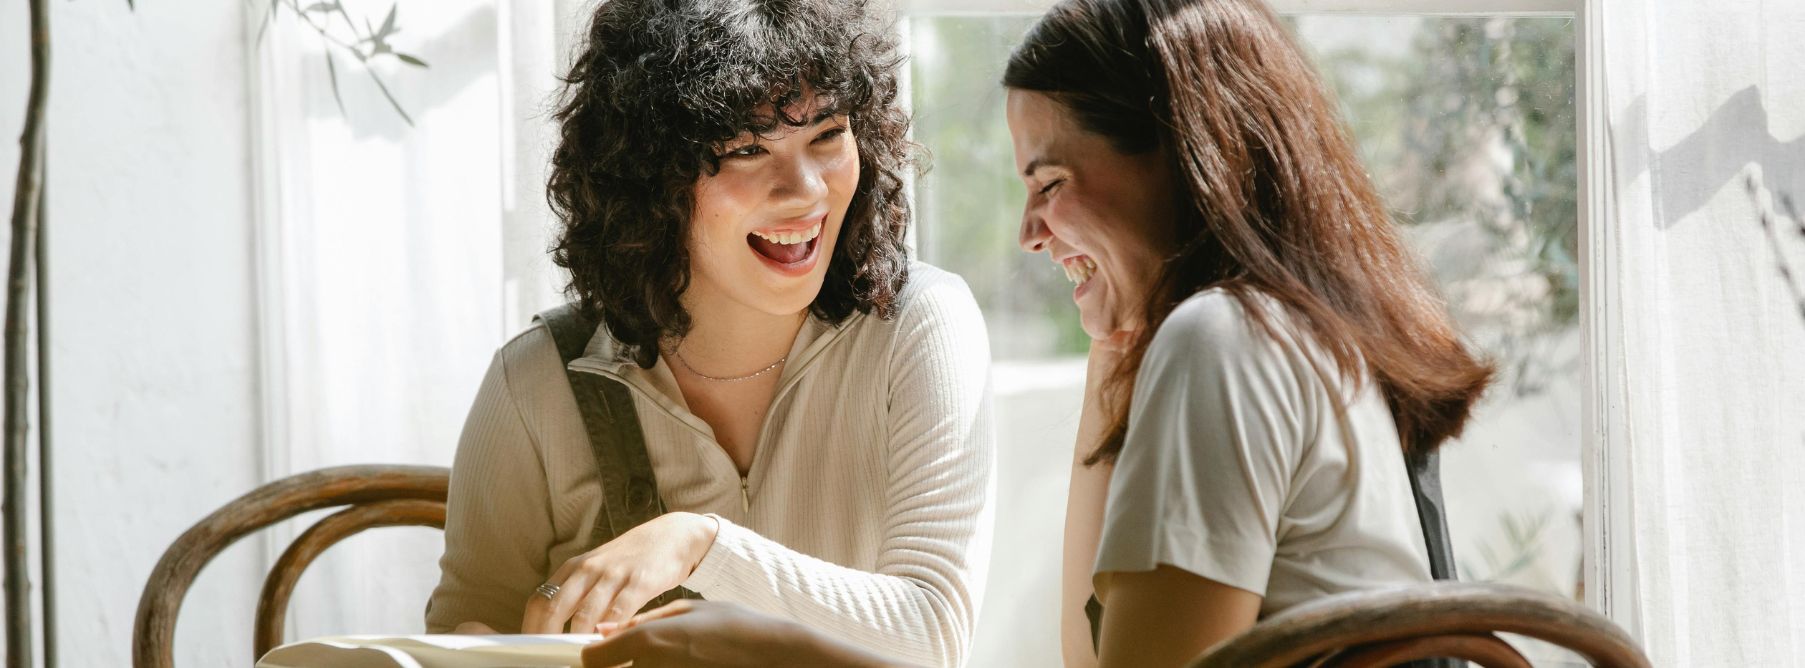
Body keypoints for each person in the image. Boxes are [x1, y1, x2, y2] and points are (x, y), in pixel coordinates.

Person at [579, 0, 1494, 666]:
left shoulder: (1223, 343)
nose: (1026, 232)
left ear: (1184, 159)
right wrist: (1116, 339)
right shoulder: (1284, 332)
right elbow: (1090, 656)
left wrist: (780, 650)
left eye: (1049, 182)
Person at [424, 1, 996, 666]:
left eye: (826, 135)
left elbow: (932, 638)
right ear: (646, 179)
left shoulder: (920, 325)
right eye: (746, 149)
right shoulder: (536, 382)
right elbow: (466, 631)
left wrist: (701, 546)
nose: (804, 190)